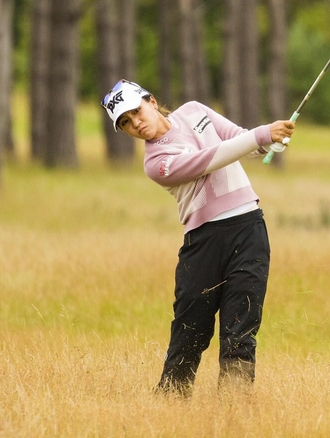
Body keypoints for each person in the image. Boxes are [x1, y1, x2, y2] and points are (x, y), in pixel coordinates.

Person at [101, 79, 295, 396]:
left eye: (136, 112)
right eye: (125, 123)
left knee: (241, 329)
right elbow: (208, 159)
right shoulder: (155, 163)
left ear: (150, 101)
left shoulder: (194, 111)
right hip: (204, 244)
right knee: (190, 334)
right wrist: (261, 135)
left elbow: (238, 139)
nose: (136, 123)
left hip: (249, 230)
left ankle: (234, 414)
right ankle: (171, 406)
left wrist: (270, 142)